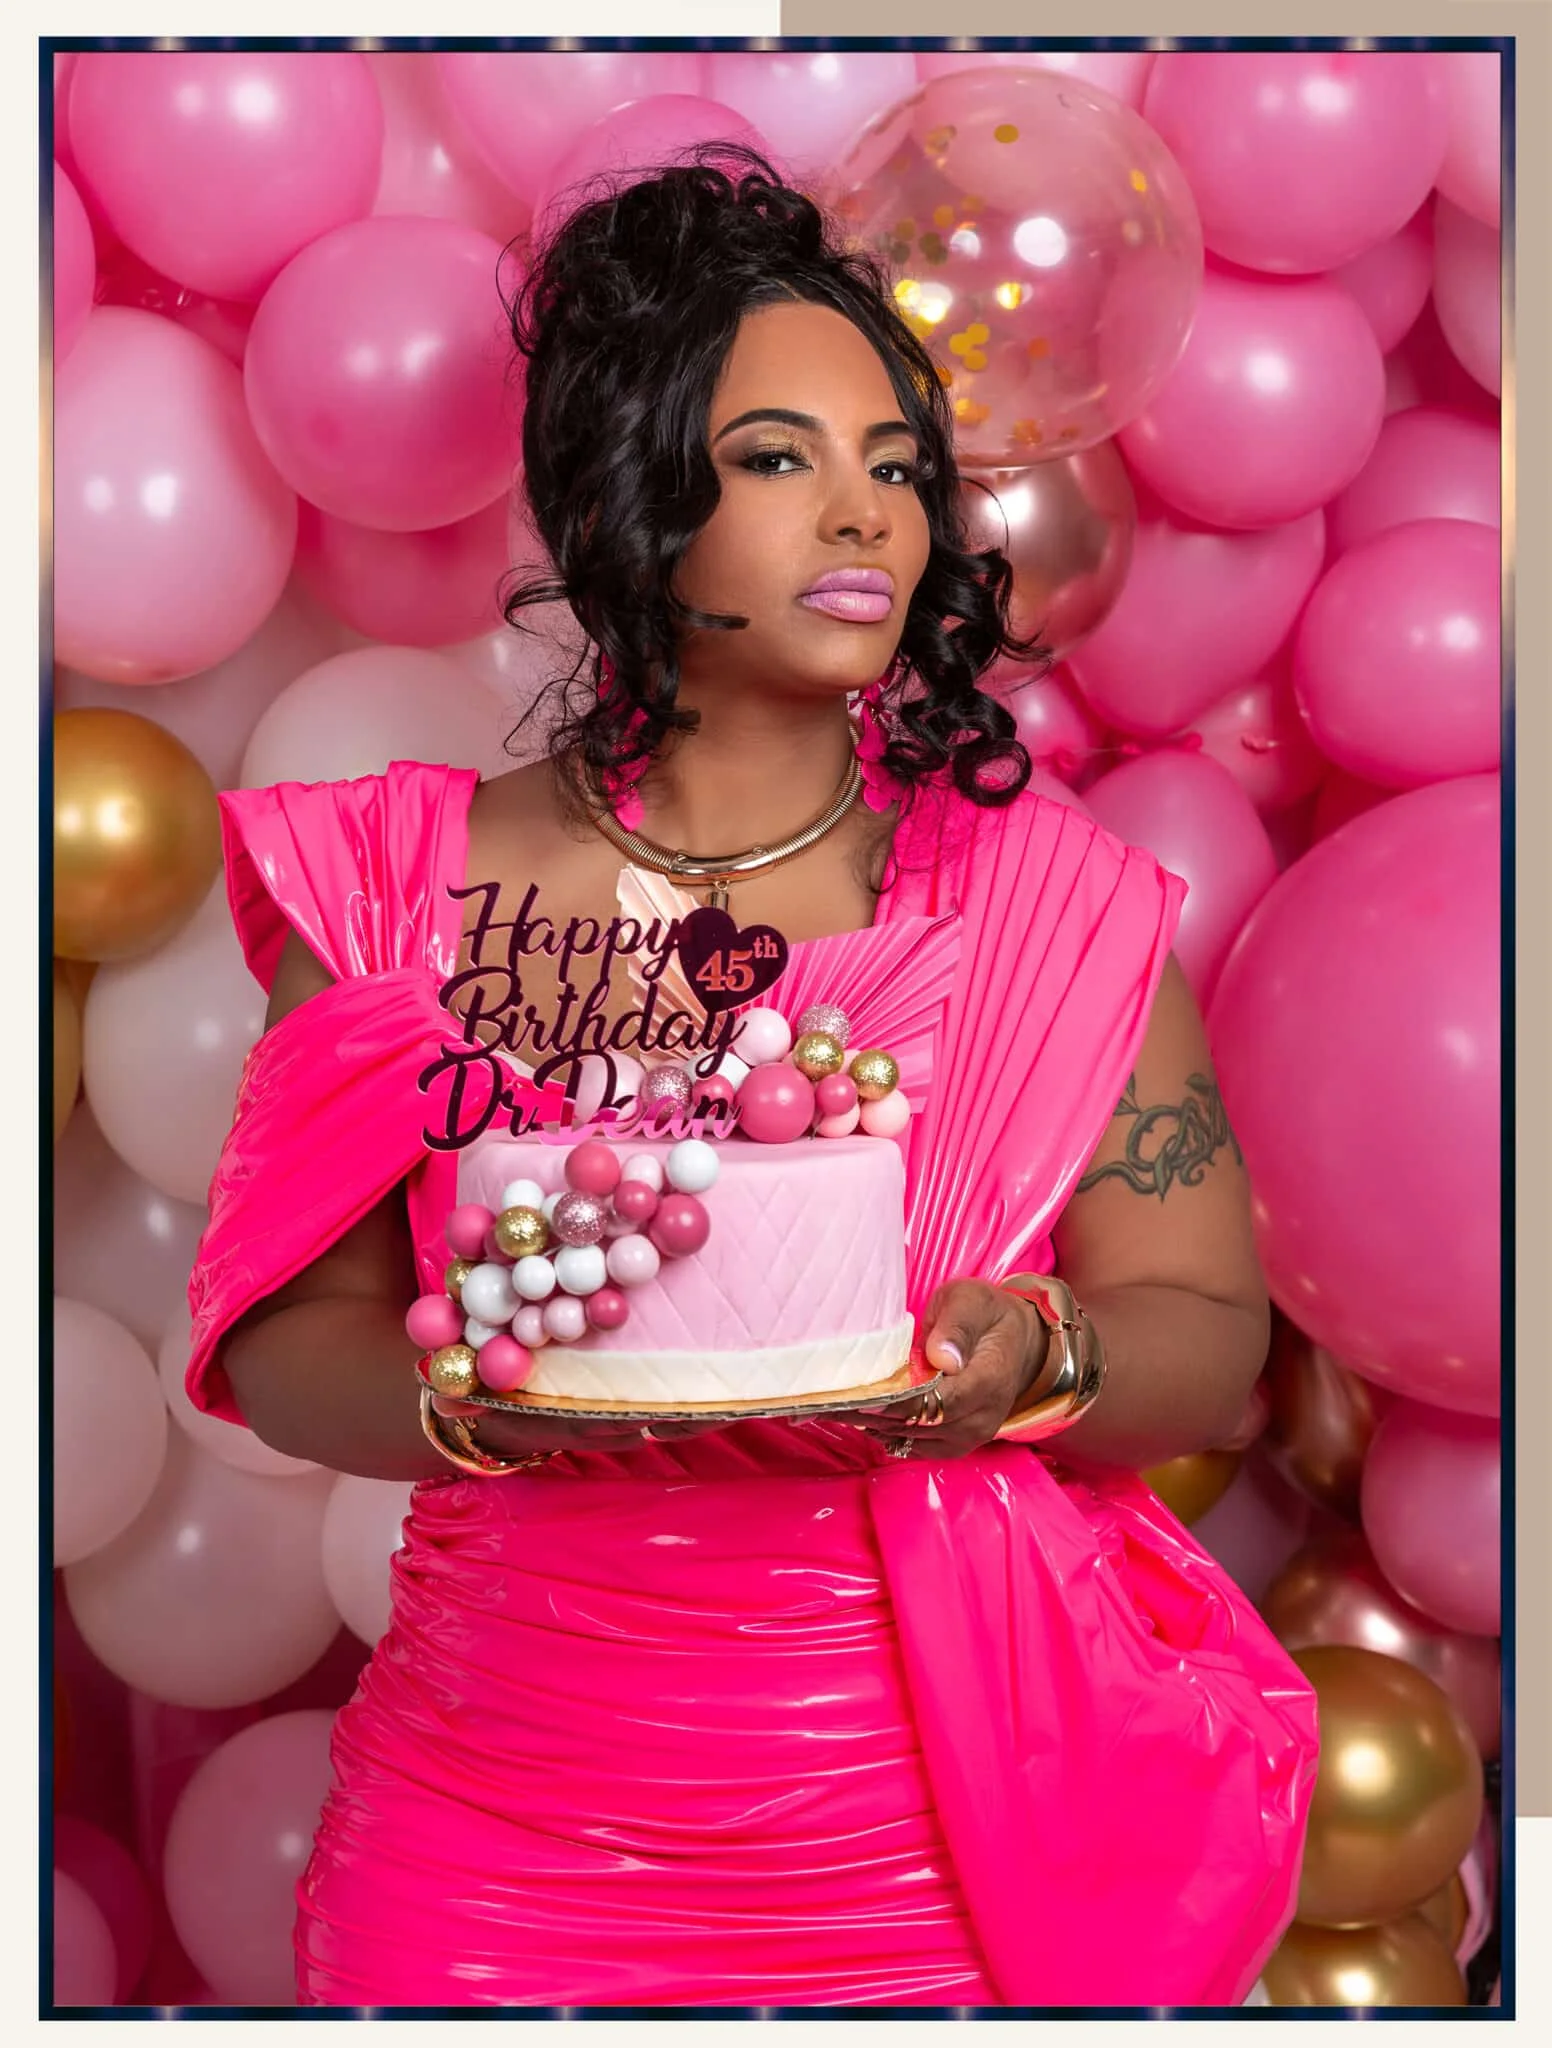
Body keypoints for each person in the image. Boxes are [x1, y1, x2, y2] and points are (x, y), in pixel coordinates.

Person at [185, 148, 1317, 2008]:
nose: (864, 513)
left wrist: (1044, 1360)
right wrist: (477, 1408)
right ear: (622, 496)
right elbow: (294, 1339)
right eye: (780, 459)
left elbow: (1209, 1332)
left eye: (895, 466)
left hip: (928, 1850)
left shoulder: (1051, 902)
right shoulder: (395, 885)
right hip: (493, 1837)